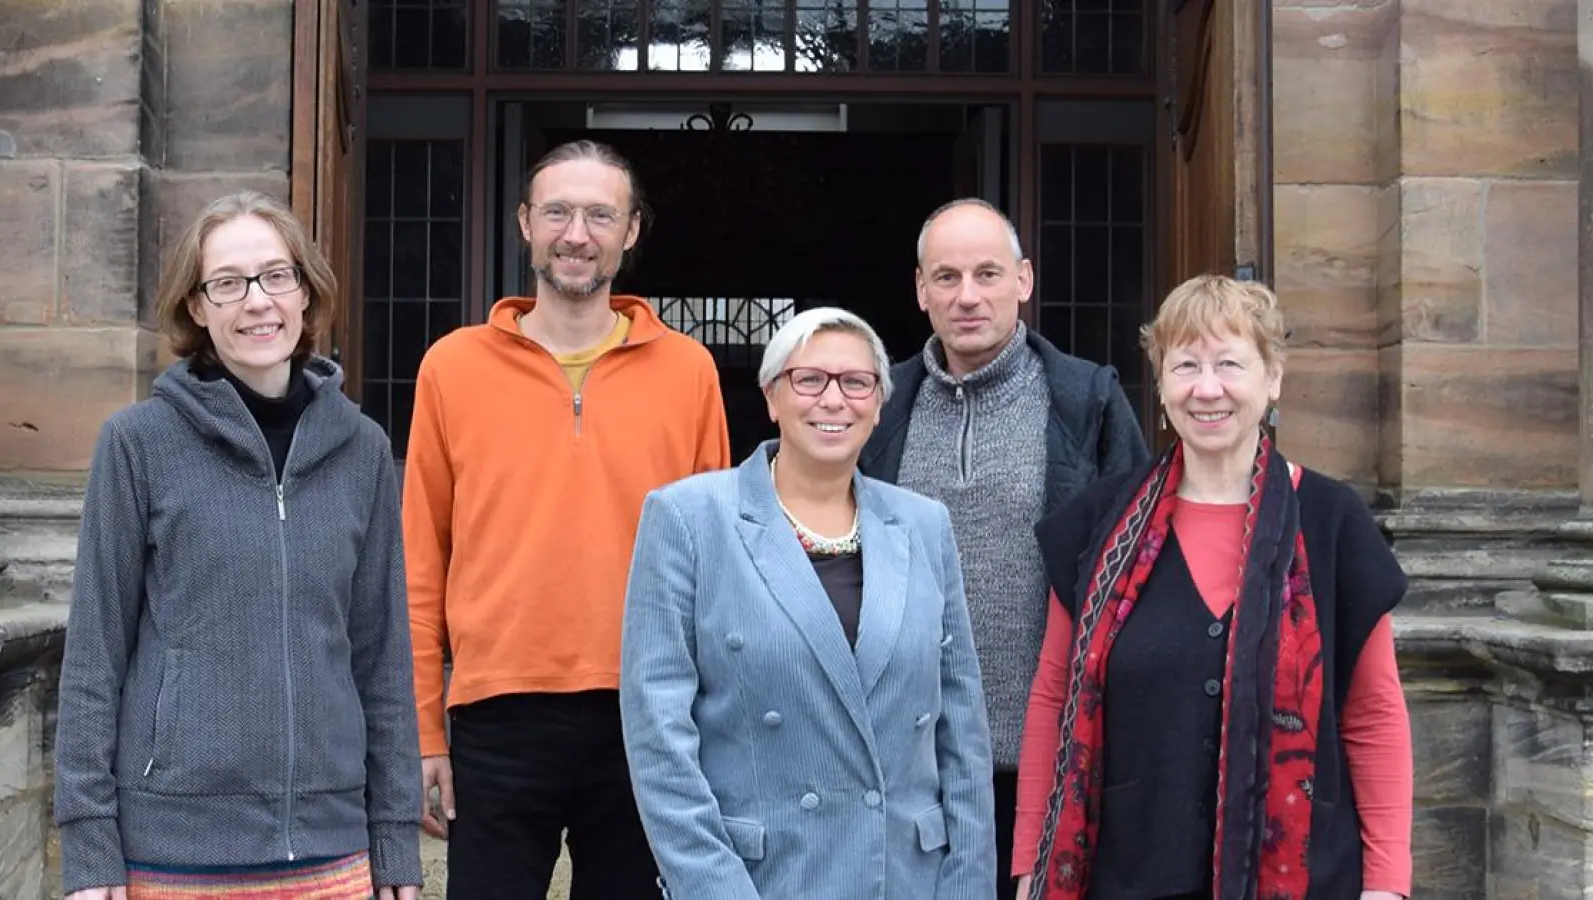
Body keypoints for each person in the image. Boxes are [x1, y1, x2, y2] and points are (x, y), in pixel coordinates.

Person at [53, 190, 424, 900]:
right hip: (173, 853)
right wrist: (90, 849)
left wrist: (394, 840)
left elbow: (383, 661)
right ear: (197, 306)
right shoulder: (137, 445)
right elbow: (95, 656)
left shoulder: (363, 451)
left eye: (276, 275)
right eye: (228, 283)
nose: (257, 301)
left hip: (331, 852)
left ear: (306, 292)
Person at [402, 138, 731, 899]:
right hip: (495, 713)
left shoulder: (688, 372)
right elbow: (421, 562)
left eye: (598, 215)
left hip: (647, 712)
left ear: (631, 231)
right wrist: (422, 732)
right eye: (557, 211)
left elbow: (720, 569)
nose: (576, 234)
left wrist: (716, 724)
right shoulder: (452, 367)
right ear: (525, 223)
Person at [1013, 274, 1413, 900]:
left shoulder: (1333, 522)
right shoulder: (1096, 523)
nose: (1207, 388)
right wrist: (1030, 864)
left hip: (1305, 879)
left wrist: (1387, 881)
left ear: (1272, 379)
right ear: (1162, 383)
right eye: (1186, 365)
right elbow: (1052, 698)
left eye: (1230, 364)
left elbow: (1374, 714)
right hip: (1126, 875)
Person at [620, 306, 997, 900]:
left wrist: (967, 885)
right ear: (772, 396)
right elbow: (658, 739)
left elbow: (962, 733)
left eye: (856, 382)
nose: (833, 399)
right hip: (762, 879)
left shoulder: (924, 526)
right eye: (809, 379)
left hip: (906, 879)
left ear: (878, 405)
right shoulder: (688, 519)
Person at [859, 197, 1150, 898]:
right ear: (921, 289)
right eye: (948, 277)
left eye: (987, 274)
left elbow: (1139, 570)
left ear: (1024, 280)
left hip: (1044, 762)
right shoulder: (878, 406)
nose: (968, 297)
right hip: (907, 760)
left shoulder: (1087, 402)